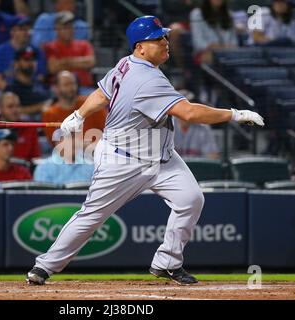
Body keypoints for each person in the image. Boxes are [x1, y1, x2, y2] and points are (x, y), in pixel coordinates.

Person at [26, 16, 264, 286]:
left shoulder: (127, 63)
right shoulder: (147, 79)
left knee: (191, 199)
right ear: (140, 47)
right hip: (123, 161)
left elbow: (102, 94)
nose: (165, 42)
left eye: (163, 36)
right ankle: (44, 266)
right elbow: (189, 112)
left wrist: (79, 114)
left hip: (161, 158)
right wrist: (234, 114)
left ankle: (168, 262)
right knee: (91, 216)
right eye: (157, 39)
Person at [42, 70, 106, 148]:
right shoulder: (50, 114)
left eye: (73, 83)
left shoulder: (92, 105)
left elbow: (108, 133)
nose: (71, 87)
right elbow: (60, 146)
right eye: (66, 84)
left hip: (95, 154)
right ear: (56, 88)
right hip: (66, 157)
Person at [0, 92, 41, 161]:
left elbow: (35, 159)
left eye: (18, 106)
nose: (15, 110)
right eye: (10, 106)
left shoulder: (30, 128)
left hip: (24, 170)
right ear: (0, 108)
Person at [43, 11, 96, 95]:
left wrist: (65, 62)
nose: (69, 30)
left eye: (70, 26)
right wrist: (80, 63)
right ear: (56, 29)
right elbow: (53, 68)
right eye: (65, 27)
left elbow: (91, 62)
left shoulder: (84, 44)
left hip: (84, 88)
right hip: (60, 91)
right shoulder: (50, 47)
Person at [0, 17, 47, 91]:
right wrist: (12, 92)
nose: (26, 32)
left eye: (28, 29)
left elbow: (40, 77)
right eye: (22, 29)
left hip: (31, 90)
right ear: (12, 31)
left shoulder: (38, 52)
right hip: (7, 91)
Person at [4, 46, 50, 119]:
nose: (30, 63)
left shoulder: (41, 84)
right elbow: (11, 110)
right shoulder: (11, 88)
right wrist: (39, 107)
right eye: (26, 59)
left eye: (33, 59)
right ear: (17, 63)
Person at [190, 0, 238, 65]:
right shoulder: (197, 13)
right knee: (209, 57)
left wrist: (224, 47)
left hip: (227, 52)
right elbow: (198, 42)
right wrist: (211, 47)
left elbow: (234, 42)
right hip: (205, 53)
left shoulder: (229, 14)